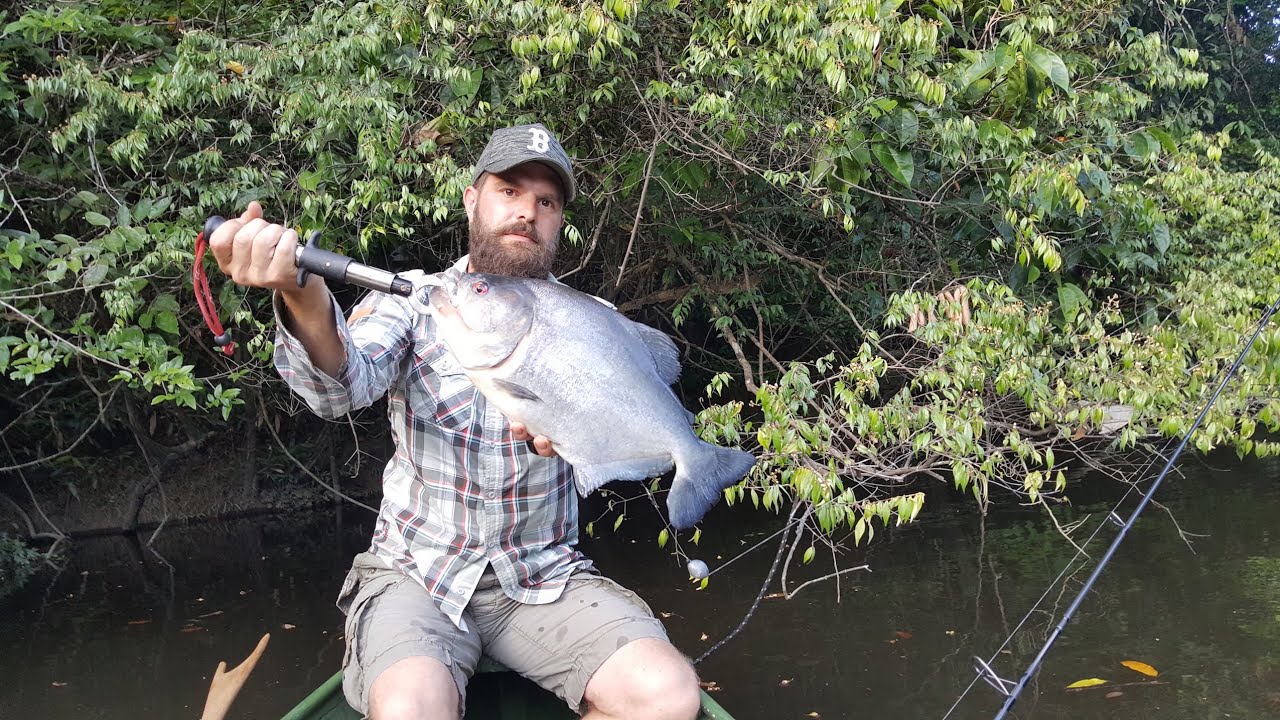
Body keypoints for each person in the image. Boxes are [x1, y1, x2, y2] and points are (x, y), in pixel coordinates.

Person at [209, 123, 702, 720]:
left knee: (668, 697)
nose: (527, 212)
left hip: (544, 575)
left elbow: (607, 437)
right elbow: (340, 388)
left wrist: (579, 437)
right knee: (411, 711)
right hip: (418, 576)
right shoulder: (416, 300)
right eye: (509, 191)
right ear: (472, 198)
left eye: (546, 202)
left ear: (558, 221)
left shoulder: (591, 321)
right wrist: (302, 293)